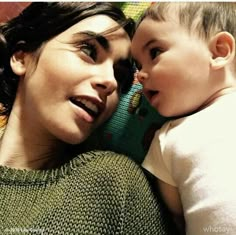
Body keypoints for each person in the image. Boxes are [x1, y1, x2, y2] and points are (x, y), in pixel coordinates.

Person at [0, 2, 176, 234]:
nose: (110, 82)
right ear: (22, 58)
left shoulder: (111, 182)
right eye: (89, 51)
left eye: (120, 75)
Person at [131, 2, 236, 235]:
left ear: (219, 51)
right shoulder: (166, 138)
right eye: (137, 65)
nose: (140, 75)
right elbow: (176, 220)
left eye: (155, 52)